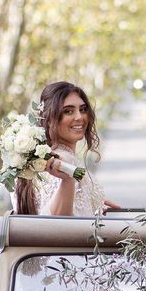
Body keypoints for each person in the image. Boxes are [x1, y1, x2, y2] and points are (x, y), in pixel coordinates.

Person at [13, 81, 120, 215]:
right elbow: (56, 223)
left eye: (82, 109)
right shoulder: (62, 162)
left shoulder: (45, 159)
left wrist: (91, 205)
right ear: (50, 118)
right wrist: (67, 180)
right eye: (68, 111)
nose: (79, 117)